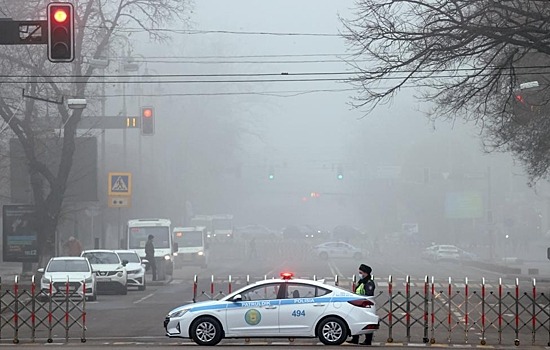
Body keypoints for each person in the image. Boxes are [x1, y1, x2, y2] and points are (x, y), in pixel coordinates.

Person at [347, 263, 376, 345]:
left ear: (366, 273)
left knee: (367, 321)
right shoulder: (361, 282)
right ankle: (355, 338)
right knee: (357, 321)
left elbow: (368, 294)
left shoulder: (369, 282)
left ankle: (368, 340)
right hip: (358, 304)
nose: (360, 274)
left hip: (365, 305)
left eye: (361, 272)